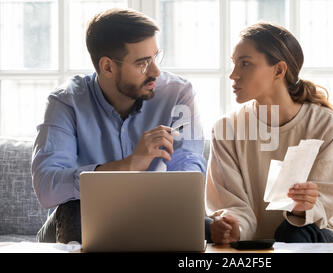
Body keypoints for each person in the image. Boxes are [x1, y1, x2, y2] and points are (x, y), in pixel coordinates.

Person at [32, 8, 211, 243]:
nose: (156, 71)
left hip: (152, 213)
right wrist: (127, 166)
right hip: (78, 221)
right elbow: (47, 186)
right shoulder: (67, 101)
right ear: (107, 67)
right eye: (143, 63)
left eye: (155, 57)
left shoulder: (177, 94)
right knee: (74, 208)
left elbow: (188, 167)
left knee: (205, 222)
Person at [206, 22, 333, 244]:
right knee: (201, 227)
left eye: (245, 64)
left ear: (278, 70)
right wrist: (232, 227)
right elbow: (232, 204)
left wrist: (303, 208)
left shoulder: (326, 124)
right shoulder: (225, 129)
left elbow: (323, 202)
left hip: (314, 236)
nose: (233, 75)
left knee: (293, 233)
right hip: (256, 244)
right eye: (234, 64)